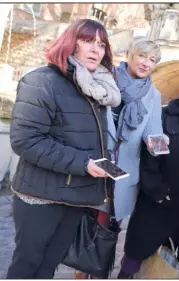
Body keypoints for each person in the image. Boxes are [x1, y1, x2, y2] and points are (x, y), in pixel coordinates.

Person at [6, 19, 121, 279]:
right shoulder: (41, 81)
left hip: (77, 195)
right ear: (70, 43)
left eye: (102, 45)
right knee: (27, 264)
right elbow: (26, 140)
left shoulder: (98, 89)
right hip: (41, 195)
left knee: (51, 264)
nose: (96, 50)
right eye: (88, 41)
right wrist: (83, 163)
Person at [74, 36, 165, 279]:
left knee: (109, 227)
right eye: (142, 56)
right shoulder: (106, 77)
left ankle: (99, 270)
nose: (146, 63)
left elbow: (153, 130)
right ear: (130, 55)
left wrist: (159, 145)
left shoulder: (153, 95)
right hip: (95, 163)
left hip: (124, 173)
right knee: (88, 224)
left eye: (153, 59)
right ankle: (83, 271)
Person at [117, 73, 179, 278]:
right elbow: (150, 158)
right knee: (136, 251)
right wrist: (158, 192)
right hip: (157, 199)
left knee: (169, 255)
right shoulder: (165, 116)